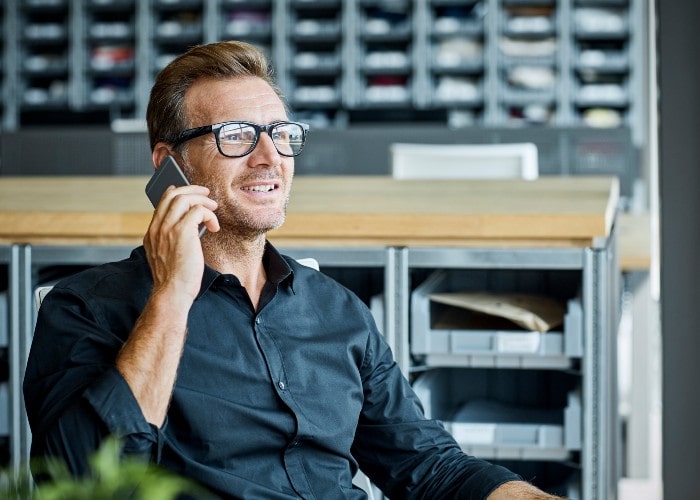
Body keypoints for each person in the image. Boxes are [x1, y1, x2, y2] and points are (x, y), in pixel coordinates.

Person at [24, 40, 564, 499]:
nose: (268, 158)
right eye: (235, 135)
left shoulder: (338, 311)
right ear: (169, 162)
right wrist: (171, 295)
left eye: (280, 134)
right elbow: (83, 479)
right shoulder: (88, 308)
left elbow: (431, 469)